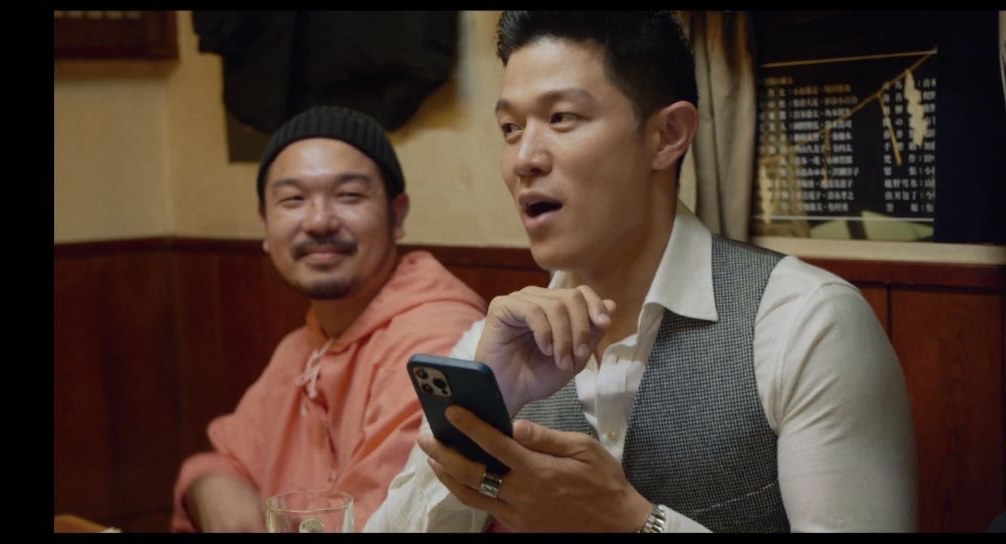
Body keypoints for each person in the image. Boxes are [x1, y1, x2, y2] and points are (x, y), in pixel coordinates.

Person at [366, 11, 917, 532]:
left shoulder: (808, 323)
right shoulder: (497, 343)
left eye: (561, 118)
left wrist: (630, 523)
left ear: (667, 135)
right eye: (510, 127)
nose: (524, 158)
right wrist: (477, 414)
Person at [171, 106, 486, 532]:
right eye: (293, 199)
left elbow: (384, 521)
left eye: (349, 196)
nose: (319, 221)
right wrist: (214, 486)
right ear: (264, 224)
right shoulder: (304, 346)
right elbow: (226, 458)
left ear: (397, 215)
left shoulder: (436, 342)